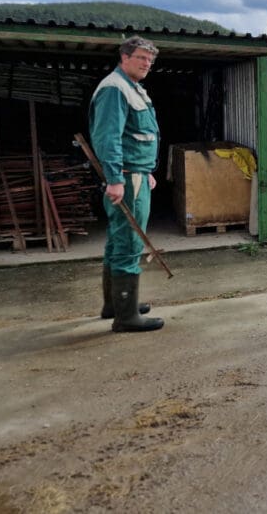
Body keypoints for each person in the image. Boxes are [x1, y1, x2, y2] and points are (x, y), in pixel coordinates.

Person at [89, 36, 164, 332]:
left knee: (118, 238)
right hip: (126, 178)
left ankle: (115, 305)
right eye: (141, 58)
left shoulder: (133, 88)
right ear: (125, 57)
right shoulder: (115, 88)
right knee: (131, 241)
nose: (147, 64)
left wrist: (146, 169)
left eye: (150, 60)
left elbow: (135, 136)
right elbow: (107, 137)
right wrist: (116, 179)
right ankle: (126, 317)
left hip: (136, 173)